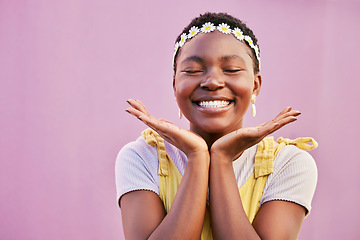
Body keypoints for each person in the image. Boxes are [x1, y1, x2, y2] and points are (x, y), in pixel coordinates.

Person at [116, 12, 318, 239]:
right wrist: (197, 156)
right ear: (175, 86)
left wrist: (221, 158)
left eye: (231, 69)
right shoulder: (143, 157)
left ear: (255, 85)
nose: (212, 82)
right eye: (193, 70)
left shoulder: (288, 164)